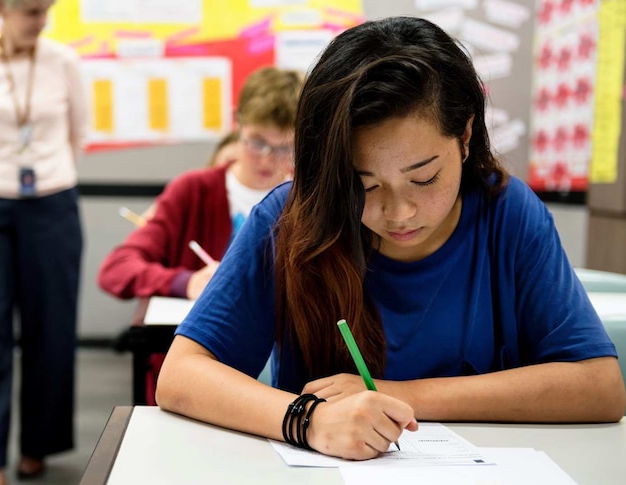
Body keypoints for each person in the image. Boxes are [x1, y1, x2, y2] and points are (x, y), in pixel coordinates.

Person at [155, 16, 625, 461]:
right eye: (364, 185)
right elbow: (180, 376)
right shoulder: (290, 218)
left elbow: (599, 388)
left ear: (464, 137)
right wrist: (309, 421)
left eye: (424, 179)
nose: (398, 213)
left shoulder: (507, 214)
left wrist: (396, 394)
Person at [98, 67, 301, 405]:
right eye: (257, 143)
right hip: (202, 380)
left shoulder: (305, 198)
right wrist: (185, 282)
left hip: (287, 383)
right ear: (237, 124)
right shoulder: (194, 191)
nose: (269, 159)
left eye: (285, 148)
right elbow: (116, 269)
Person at [0, 0, 87, 483]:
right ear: (2, 8)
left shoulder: (64, 61)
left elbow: (78, 133)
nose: (40, 19)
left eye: (45, 10)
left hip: (51, 202)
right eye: (30, 10)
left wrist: (43, 173)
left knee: (50, 329)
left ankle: (38, 445)